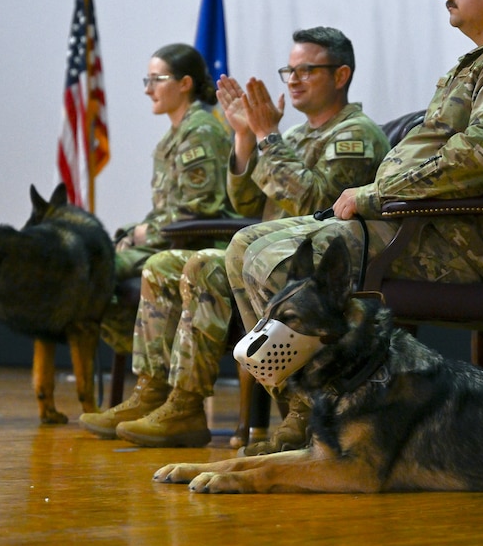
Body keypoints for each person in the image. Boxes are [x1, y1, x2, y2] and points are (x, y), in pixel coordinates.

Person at [225, 0, 483, 441]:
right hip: (409, 222)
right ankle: (305, 408)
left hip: (449, 237)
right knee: (243, 245)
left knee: (273, 257)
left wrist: (374, 196)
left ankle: (322, 412)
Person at [80, 27, 389, 447]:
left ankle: (300, 409)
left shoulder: (356, 134)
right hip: (265, 258)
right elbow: (244, 204)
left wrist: (266, 136)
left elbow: (315, 203)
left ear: (340, 76)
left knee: (202, 265)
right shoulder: (293, 136)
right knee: (164, 264)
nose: (293, 80)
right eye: (289, 70)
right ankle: (168, 398)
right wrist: (244, 136)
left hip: (310, 271)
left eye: (307, 70)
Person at [94, 43, 236, 362]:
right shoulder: (174, 136)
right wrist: (131, 233)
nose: (149, 90)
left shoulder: (201, 132)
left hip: (197, 242)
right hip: (169, 238)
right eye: (147, 81)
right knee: (95, 264)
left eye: (156, 79)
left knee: (95, 270)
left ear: (184, 84)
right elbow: (167, 207)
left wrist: (148, 233)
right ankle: (151, 371)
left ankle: (155, 377)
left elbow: (201, 208)